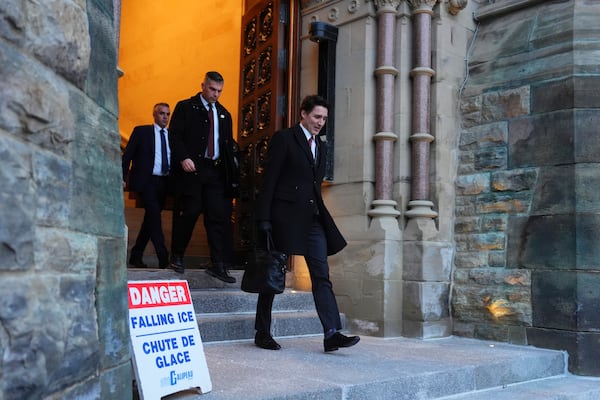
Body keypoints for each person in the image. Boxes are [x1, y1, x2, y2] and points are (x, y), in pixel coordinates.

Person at [254, 95, 360, 352]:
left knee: (321, 274)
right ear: (303, 113)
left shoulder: (321, 147)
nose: (320, 122)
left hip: (312, 219)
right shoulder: (284, 139)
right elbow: (269, 181)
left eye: (324, 118)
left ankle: (332, 332)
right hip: (283, 217)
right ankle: (262, 332)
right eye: (316, 117)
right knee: (272, 275)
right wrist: (264, 219)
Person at [168, 71, 239, 279]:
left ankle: (218, 264)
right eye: (212, 89)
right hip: (192, 169)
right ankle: (177, 256)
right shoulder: (186, 107)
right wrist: (183, 157)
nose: (215, 94)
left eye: (219, 91)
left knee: (218, 217)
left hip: (215, 172)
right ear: (203, 86)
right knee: (189, 212)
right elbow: (175, 135)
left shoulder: (224, 114)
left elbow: (227, 146)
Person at [122, 102, 172, 268]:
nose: (165, 117)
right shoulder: (142, 131)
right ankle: (163, 257)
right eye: (161, 113)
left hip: (164, 182)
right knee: (154, 216)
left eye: (167, 114)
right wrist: (122, 177)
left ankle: (136, 255)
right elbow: (127, 155)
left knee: (150, 218)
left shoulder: (172, 136)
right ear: (154, 115)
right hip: (146, 181)